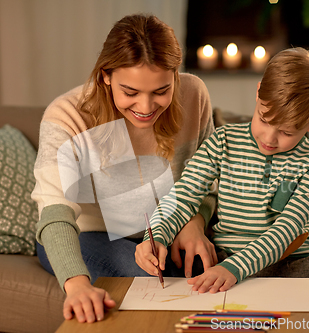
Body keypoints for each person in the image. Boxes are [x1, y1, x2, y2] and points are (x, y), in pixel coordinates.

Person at [31, 14, 218, 324]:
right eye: (130, 92)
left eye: (161, 91)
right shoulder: (66, 115)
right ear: (106, 76)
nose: (146, 108)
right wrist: (77, 286)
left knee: (212, 276)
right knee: (150, 286)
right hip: (87, 235)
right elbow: (55, 213)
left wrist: (194, 222)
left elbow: (207, 179)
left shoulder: (194, 94)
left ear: (176, 75)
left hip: (167, 231)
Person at [135, 47, 309, 294]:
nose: (270, 138)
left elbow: (287, 229)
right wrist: (155, 237)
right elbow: (182, 197)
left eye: (287, 132)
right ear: (258, 92)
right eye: (264, 119)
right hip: (224, 258)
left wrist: (234, 268)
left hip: (289, 263)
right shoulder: (222, 142)